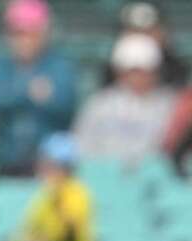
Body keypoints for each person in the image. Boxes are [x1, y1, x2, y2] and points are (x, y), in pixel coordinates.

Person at [0, 0, 76, 177]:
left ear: (44, 34)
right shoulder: (0, 66)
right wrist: (27, 91)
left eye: (31, 33)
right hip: (6, 160)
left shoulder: (58, 66)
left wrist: (16, 93)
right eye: (18, 33)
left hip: (49, 166)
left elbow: (66, 105)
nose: (24, 40)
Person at [74, 33, 177, 166]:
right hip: (104, 177)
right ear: (120, 72)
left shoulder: (170, 105)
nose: (139, 78)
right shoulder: (100, 104)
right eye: (133, 71)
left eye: (145, 71)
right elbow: (81, 146)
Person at [102, 2, 189, 88]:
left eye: (149, 31)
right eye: (135, 30)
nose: (142, 37)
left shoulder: (177, 69)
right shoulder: (111, 70)